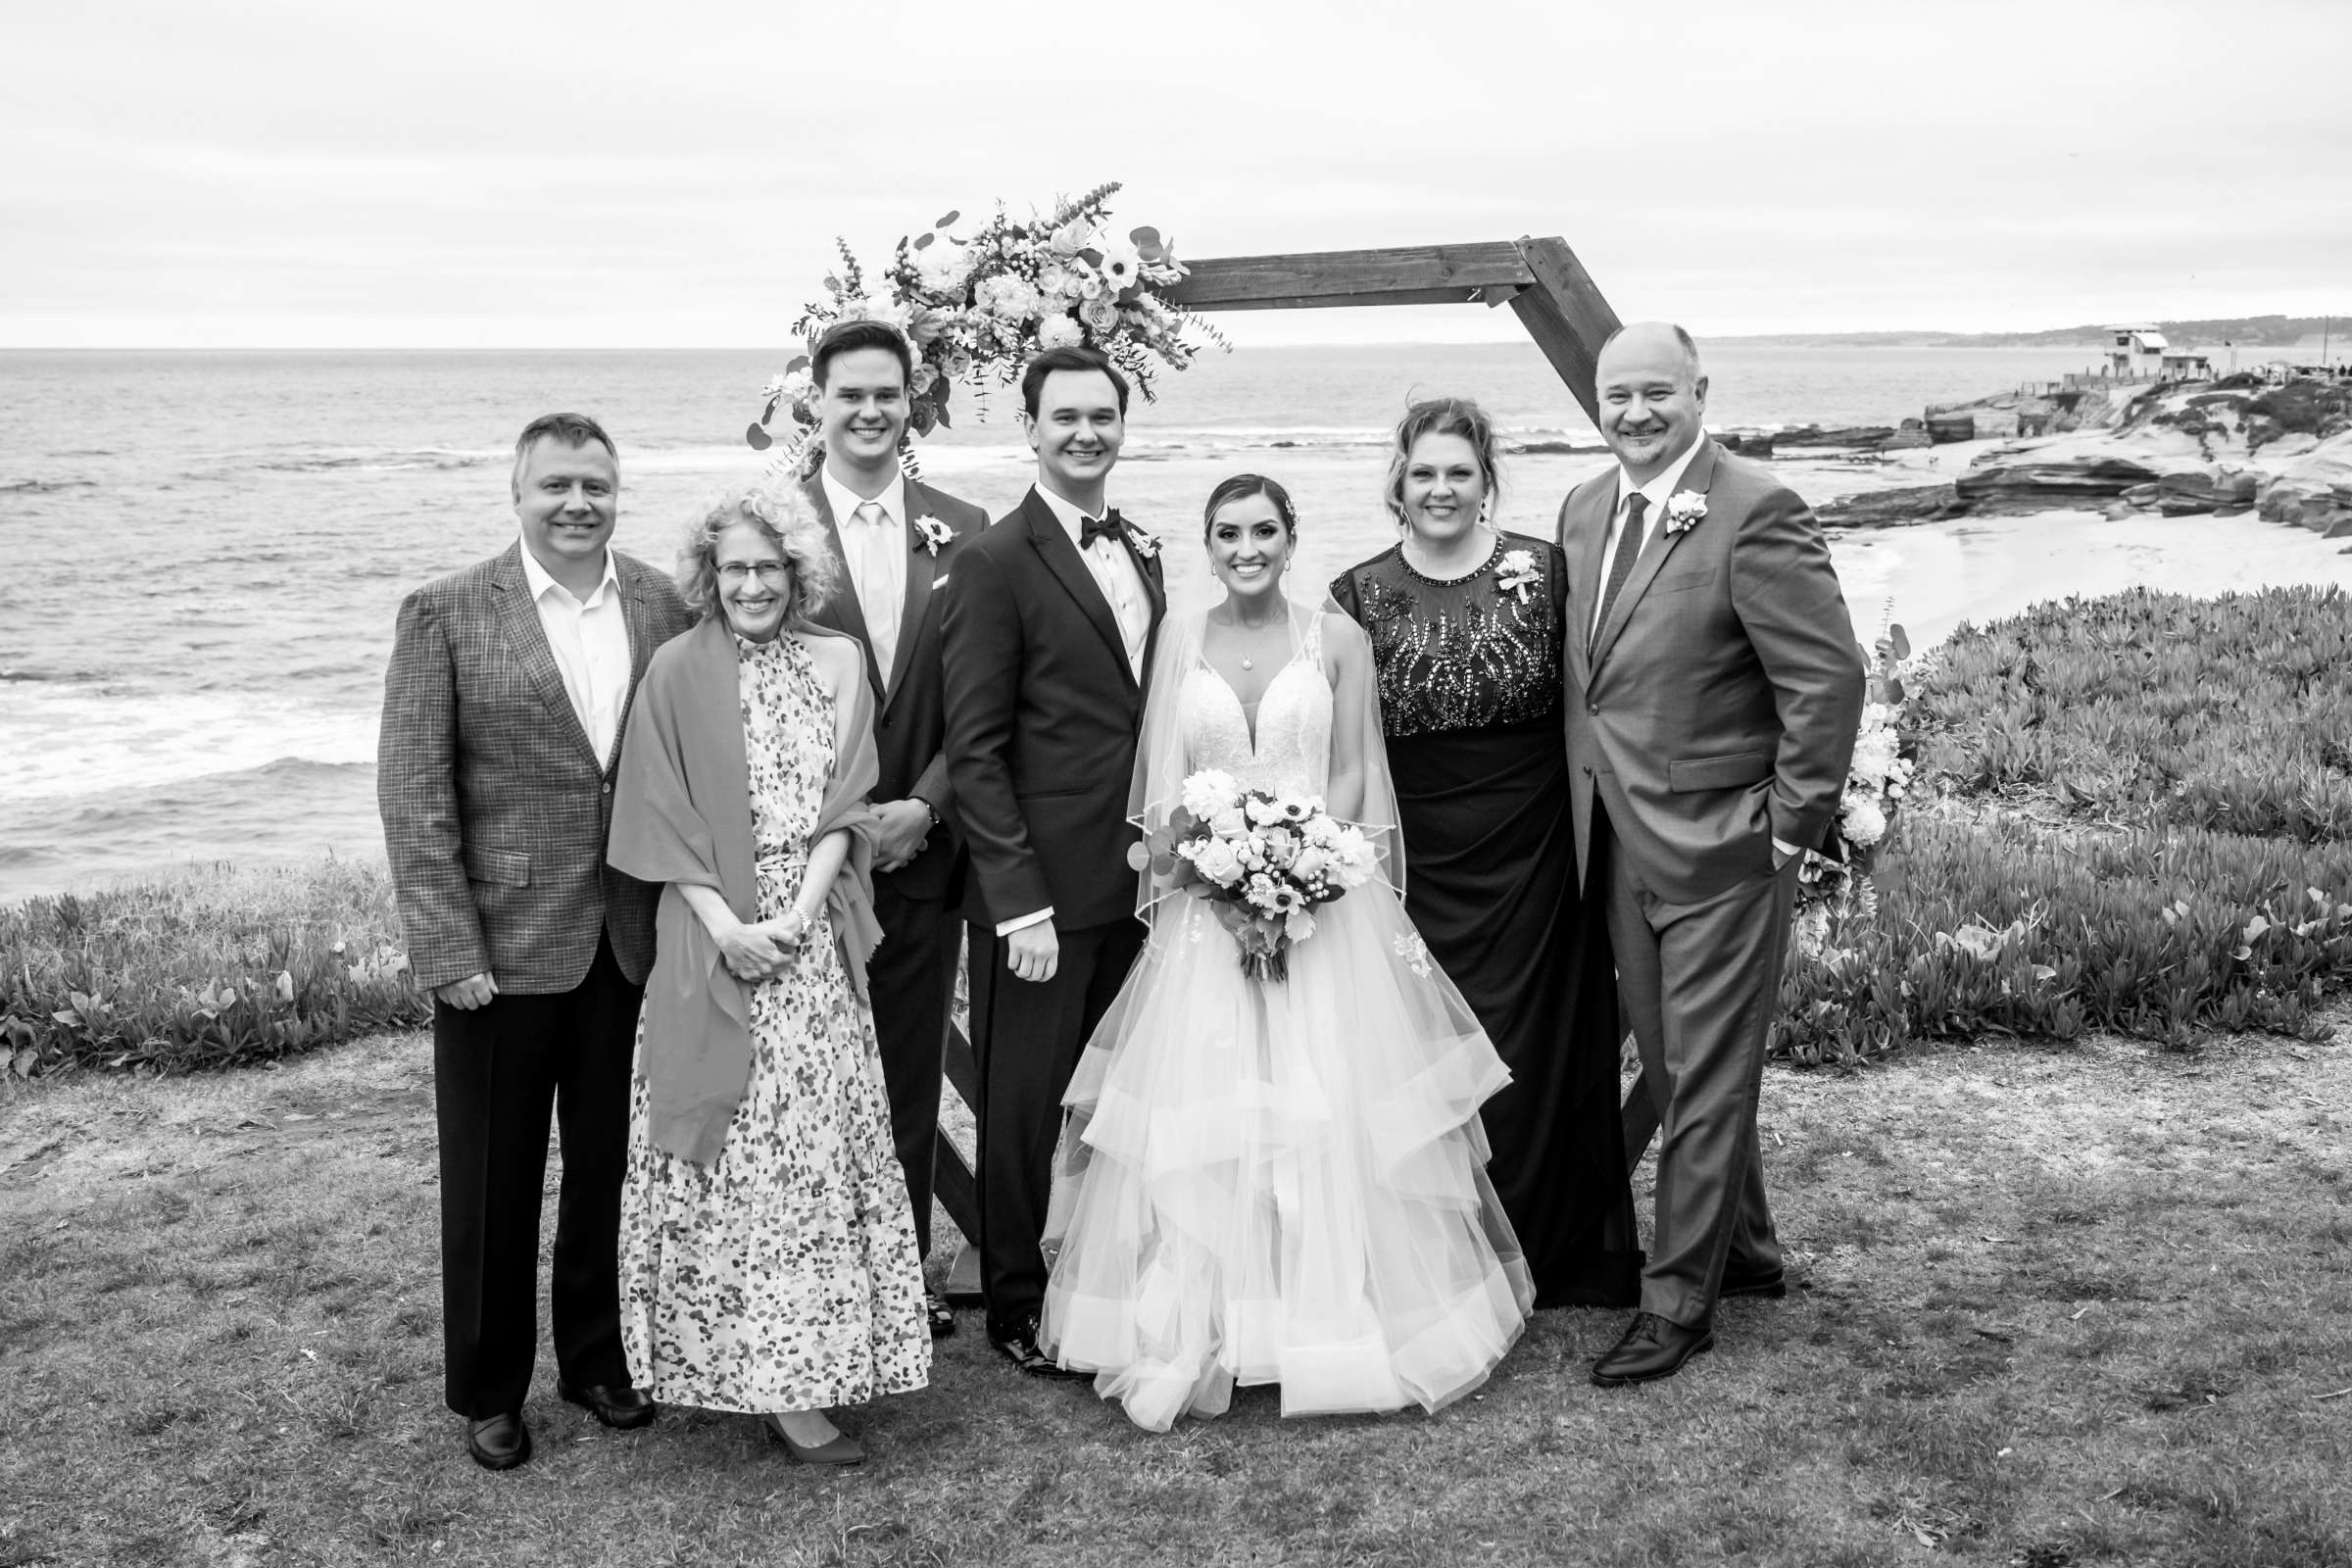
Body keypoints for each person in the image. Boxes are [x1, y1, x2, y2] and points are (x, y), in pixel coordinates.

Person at [1040, 475, 1534, 1432]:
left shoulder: (1336, 636)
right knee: (1210, 1115)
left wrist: (1311, 864)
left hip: (1324, 901)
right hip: (1206, 911)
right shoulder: (1179, 635)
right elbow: (1169, 781)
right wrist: (1216, 875)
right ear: (1209, 542)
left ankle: (1332, 1321)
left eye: (1265, 530)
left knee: (1327, 1103)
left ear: (1291, 537)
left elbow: (1351, 766)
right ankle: (1218, 1324)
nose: (1247, 547)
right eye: (1228, 532)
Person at [377, 412, 694, 1471]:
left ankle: (597, 1360)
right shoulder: (447, 611)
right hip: (499, 948)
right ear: (516, 493)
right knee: (492, 1174)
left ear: (617, 493)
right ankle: (487, 1385)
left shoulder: (660, 600)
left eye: (596, 485)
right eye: (556, 484)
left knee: (609, 1166)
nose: (577, 503)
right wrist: (445, 944)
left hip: (629, 937)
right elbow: (414, 793)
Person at [1560, 323, 1865, 1386]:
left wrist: (1788, 827)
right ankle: (1747, 1252)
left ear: (1700, 392)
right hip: (1618, 848)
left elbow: (1827, 679)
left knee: (1699, 1078)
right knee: (1691, 1068)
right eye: (1617, 396)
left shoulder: (1757, 507)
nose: (1635, 413)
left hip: (1726, 851)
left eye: (1656, 392)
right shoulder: (1585, 507)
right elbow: (1592, 680)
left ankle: (1677, 1299)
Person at [606, 490, 929, 1466]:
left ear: (797, 575)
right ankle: (751, 1374)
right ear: (711, 578)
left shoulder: (837, 662)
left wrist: (795, 918)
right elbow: (657, 813)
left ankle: (816, 1359)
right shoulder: (675, 670)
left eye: (770, 568)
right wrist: (729, 927)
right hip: (712, 944)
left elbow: (847, 805)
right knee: (736, 1165)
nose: (752, 585)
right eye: (735, 569)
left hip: (811, 950)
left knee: (813, 1162)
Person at [1328, 398, 1641, 1310]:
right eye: (1424, 472)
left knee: (1539, 1045)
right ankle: (1438, 1255)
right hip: (1415, 858)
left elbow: (1610, 692)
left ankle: (1557, 1249)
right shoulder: (1353, 594)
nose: (1440, 489)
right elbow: (1335, 740)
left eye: (1458, 472)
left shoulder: (1547, 573)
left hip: (1537, 852)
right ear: (1398, 481)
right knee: (1420, 1051)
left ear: (1487, 479)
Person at [940, 344, 1165, 1377]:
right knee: (1025, 1102)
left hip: (1142, 885)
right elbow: (975, 747)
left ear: (1122, 424)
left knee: (1120, 1090)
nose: (1085, 432)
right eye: (1064, 416)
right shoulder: (992, 560)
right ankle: (1018, 1301)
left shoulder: (1146, 550)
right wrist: (1015, 903)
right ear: (1029, 428)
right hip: (1041, 897)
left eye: (1102, 415)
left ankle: (1101, 1269)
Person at [796, 318, 990, 1339]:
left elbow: (983, 695)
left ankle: (901, 1271)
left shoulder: (965, 527)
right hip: (798, 866)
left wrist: (928, 802)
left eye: (888, 394)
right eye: (850, 394)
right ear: (815, 403)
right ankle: (813, 1275)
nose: (870, 411)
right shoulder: (767, 531)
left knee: (907, 1072)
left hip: (918, 846)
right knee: (806, 1078)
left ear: (913, 402)